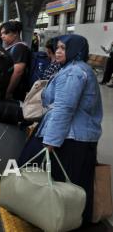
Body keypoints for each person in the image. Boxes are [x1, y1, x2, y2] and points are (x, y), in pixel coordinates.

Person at [36, 34, 102, 224]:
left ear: (76, 50)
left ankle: (65, 223)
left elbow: (65, 108)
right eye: (57, 47)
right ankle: (72, 221)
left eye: (63, 48)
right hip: (79, 137)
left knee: (67, 187)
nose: (58, 51)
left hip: (71, 138)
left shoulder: (73, 72)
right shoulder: (74, 68)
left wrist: (50, 140)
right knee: (76, 187)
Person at [0, 21, 31, 101]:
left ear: (15, 33)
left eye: (5, 33)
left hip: (16, 91)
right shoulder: (13, 47)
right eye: (1, 34)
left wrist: (9, 92)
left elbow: (18, 72)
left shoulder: (19, 47)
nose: (2, 36)